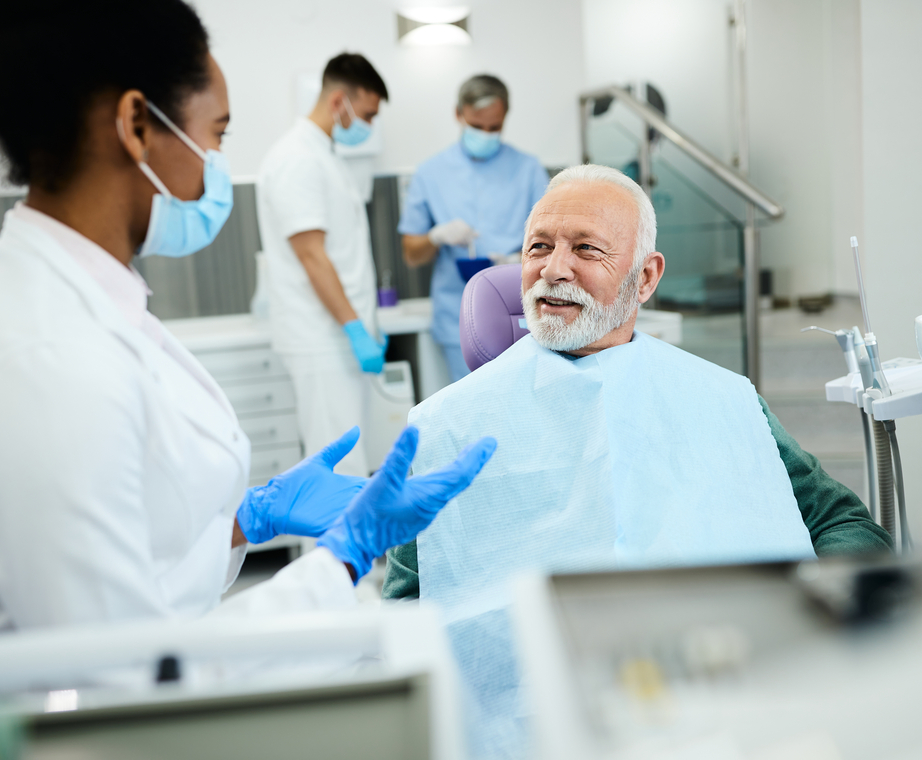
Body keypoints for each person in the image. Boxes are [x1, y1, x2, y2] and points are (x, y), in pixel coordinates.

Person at [0, 0, 494, 643]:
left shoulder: (82, 299)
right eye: (217, 135)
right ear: (137, 125)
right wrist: (344, 559)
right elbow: (124, 669)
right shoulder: (41, 359)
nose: (216, 163)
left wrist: (243, 522)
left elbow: (138, 562)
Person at [382, 165, 892, 754]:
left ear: (645, 277)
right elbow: (407, 601)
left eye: (586, 249)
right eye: (539, 247)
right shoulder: (448, 425)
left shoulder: (723, 399)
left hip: (722, 709)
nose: (553, 269)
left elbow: (840, 522)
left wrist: (807, 622)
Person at [257, 54, 388, 478]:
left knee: (350, 465)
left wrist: (364, 325)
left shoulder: (324, 155)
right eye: (367, 114)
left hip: (337, 339)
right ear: (338, 102)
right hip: (322, 339)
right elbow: (311, 256)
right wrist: (355, 329)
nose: (369, 125)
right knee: (339, 471)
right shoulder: (297, 159)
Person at [399, 75, 549, 382]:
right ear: (459, 114)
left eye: (495, 127)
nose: (486, 134)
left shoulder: (529, 169)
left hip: (522, 312)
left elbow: (556, 237)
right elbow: (411, 254)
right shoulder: (430, 173)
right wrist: (435, 237)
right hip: (457, 316)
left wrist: (521, 260)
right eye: (477, 126)